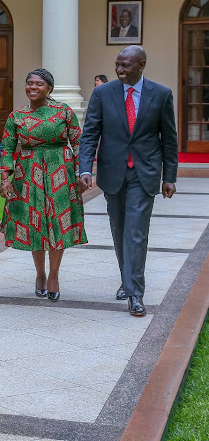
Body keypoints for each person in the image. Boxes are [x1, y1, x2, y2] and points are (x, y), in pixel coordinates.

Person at [79, 45, 178, 317]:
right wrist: (84, 168)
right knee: (120, 229)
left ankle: (135, 293)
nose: (120, 70)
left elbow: (169, 139)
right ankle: (127, 279)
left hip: (144, 173)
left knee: (136, 232)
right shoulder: (102, 93)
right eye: (117, 64)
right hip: (113, 173)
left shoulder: (161, 94)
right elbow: (90, 134)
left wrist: (169, 176)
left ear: (142, 65)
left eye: (126, 65)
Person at [0, 69, 87, 302]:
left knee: (58, 221)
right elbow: (7, 147)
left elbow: (78, 143)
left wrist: (81, 174)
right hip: (28, 173)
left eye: (39, 84)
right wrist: (5, 178)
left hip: (61, 171)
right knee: (34, 223)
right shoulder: (16, 115)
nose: (33, 87)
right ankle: (40, 274)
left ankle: (54, 276)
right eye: (29, 83)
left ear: (49, 88)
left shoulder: (64, 112)